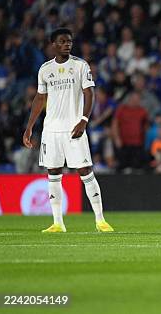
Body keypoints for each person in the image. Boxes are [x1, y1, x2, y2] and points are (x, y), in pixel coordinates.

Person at [22, 28, 114, 233]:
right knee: (53, 172)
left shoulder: (80, 65)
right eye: (62, 41)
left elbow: (89, 92)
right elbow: (40, 98)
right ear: (53, 45)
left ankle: (100, 220)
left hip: (74, 128)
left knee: (85, 171)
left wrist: (83, 120)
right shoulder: (45, 69)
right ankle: (58, 223)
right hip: (51, 130)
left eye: (69, 41)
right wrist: (29, 127)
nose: (67, 44)